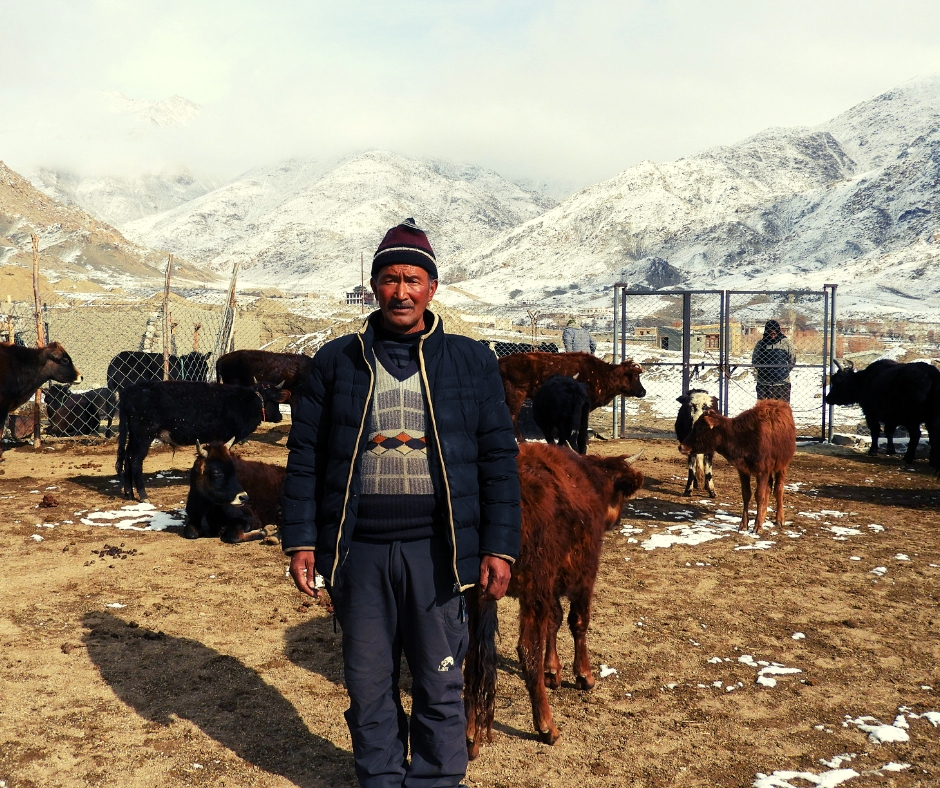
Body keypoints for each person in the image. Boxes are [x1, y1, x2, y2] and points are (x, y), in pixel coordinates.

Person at [282, 218, 521, 788]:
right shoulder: (337, 363)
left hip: (437, 550)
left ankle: (438, 779)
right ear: (374, 286)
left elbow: (496, 461)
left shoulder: (470, 362)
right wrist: (302, 539)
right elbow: (306, 458)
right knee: (367, 681)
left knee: (440, 681)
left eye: (414, 278)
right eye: (390, 279)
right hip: (358, 549)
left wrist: (499, 547)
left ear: (432, 288)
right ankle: (382, 778)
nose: (402, 291)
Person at [751, 319, 797, 402]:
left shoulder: (786, 343)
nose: (772, 336)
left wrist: (783, 372)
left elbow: (792, 360)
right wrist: (764, 372)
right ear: (766, 332)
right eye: (770, 333)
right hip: (764, 384)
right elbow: (755, 361)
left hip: (782, 384)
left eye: (774, 333)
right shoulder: (760, 344)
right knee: (763, 412)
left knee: (781, 411)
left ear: (778, 332)